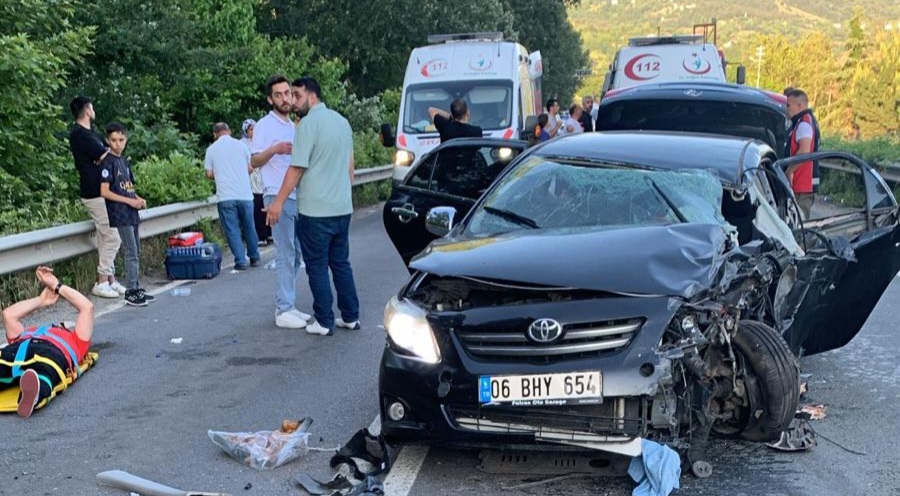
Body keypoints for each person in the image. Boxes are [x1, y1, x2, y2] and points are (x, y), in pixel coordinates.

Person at [267, 77, 360, 337]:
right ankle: (350, 316)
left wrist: (277, 203)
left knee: (317, 266)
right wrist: (344, 195)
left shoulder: (307, 125)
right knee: (341, 263)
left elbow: (296, 168)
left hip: (316, 211)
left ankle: (324, 320)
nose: (293, 101)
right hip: (342, 208)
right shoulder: (342, 122)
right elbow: (350, 168)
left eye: (297, 95)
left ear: (312, 96)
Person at [251, 75, 309, 329]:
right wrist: (274, 149)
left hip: (296, 195)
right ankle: (283, 308)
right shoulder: (265, 125)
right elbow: (254, 161)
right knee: (285, 252)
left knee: (296, 254)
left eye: (288, 93)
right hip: (276, 194)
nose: (285, 98)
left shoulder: (295, 124)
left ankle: (289, 304)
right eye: (279, 94)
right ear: (270, 99)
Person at [0, 267, 94, 418]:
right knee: (43, 371)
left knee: (45, 373)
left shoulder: (77, 341)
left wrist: (56, 285)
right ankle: (34, 390)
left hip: (50, 352)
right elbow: (8, 315)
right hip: (19, 349)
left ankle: (32, 394)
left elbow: (87, 307)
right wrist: (41, 300)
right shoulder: (28, 332)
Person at [68, 96, 124, 300]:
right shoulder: (80, 134)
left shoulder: (89, 134)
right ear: (87, 110)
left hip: (101, 190)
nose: (94, 110)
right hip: (94, 191)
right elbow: (106, 155)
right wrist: (106, 153)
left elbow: (106, 154)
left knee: (104, 236)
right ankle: (101, 282)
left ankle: (110, 279)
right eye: (91, 107)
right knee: (113, 236)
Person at [98, 122, 154, 307]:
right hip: (120, 213)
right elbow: (105, 191)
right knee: (130, 251)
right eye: (114, 140)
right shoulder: (108, 162)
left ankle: (136, 287)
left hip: (131, 212)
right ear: (108, 141)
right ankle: (131, 291)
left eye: (121, 140)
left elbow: (128, 189)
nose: (118, 144)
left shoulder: (124, 161)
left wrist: (138, 199)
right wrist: (129, 201)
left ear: (126, 139)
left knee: (136, 250)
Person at [204, 122, 261, 270]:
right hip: (245, 194)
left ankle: (240, 261)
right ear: (229, 131)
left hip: (225, 195)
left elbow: (208, 173)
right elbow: (250, 168)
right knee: (249, 226)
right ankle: (254, 257)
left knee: (232, 229)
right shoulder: (242, 146)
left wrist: (220, 172)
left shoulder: (211, 149)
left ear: (215, 134)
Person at [785, 89, 821, 219]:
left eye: (788, 105)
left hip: (801, 186)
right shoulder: (807, 121)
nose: (786, 109)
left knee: (799, 222)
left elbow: (804, 151)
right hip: (803, 185)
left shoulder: (803, 124)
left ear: (799, 105)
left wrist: (789, 171)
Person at [243, 119, 271, 246]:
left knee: (267, 204)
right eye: (251, 129)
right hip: (251, 178)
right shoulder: (243, 144)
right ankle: (261, 236)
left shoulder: (262, 141)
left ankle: (269, 233)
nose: (253, 132)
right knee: (258, 207)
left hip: (264, 176)